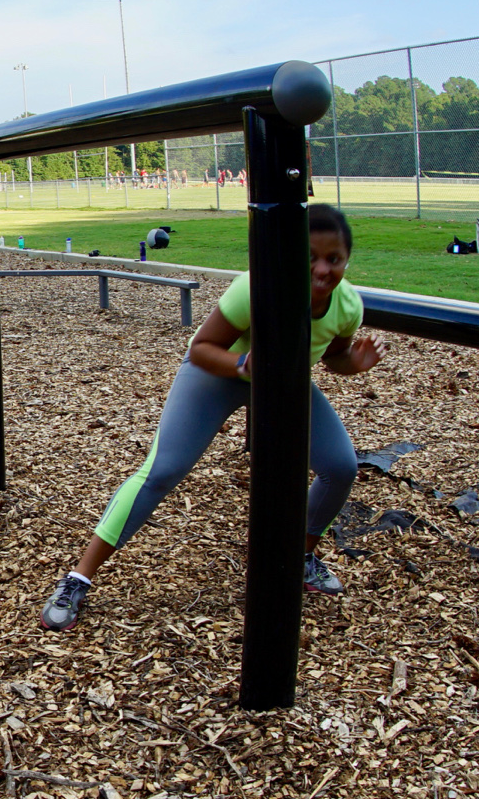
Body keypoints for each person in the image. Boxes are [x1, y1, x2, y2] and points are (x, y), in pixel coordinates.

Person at [41, 204, 382, 631]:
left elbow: (333, 357)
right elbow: (202, 347)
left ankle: (301, 558)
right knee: (163, 470)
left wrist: (355, 363)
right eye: (309, 256)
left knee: (340, 467)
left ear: (347, 260)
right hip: (221, 371)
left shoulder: (348, 305)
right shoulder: (256, 288)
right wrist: (245, 366)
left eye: (334, 259)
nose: (322, 269)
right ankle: (77, 579)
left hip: (282, 383)